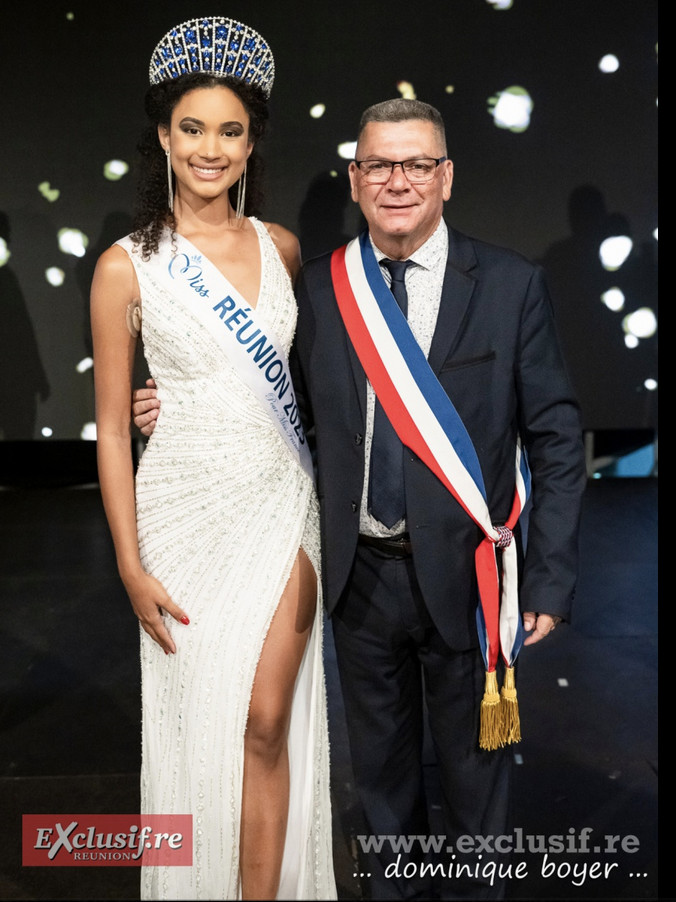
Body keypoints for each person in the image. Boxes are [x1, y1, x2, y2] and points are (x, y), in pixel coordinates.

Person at [135, 97, 586, 900]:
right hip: (360, 583)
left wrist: (547, 581)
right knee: (380, 804)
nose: (398, 181)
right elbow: (282, 412)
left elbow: (555, 439)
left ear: (445, 178)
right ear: (355, 178)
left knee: (477, 805)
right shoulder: (318, 289)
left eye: (417, 164)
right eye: (379, 164)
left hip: (471, 583)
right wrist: (175, 403)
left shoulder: (511, 285)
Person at [91, 16, 335, 901]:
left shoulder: (283, 249)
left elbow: (301, 388)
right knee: (204, 724)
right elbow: (114, 426)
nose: (210, 148)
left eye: (229, 130)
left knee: (266, 720)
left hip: (280, 504)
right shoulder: (127, 267)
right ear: (163, 135)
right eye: (192, 128)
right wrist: (127, 562)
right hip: (181, 519)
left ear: (251, 140)